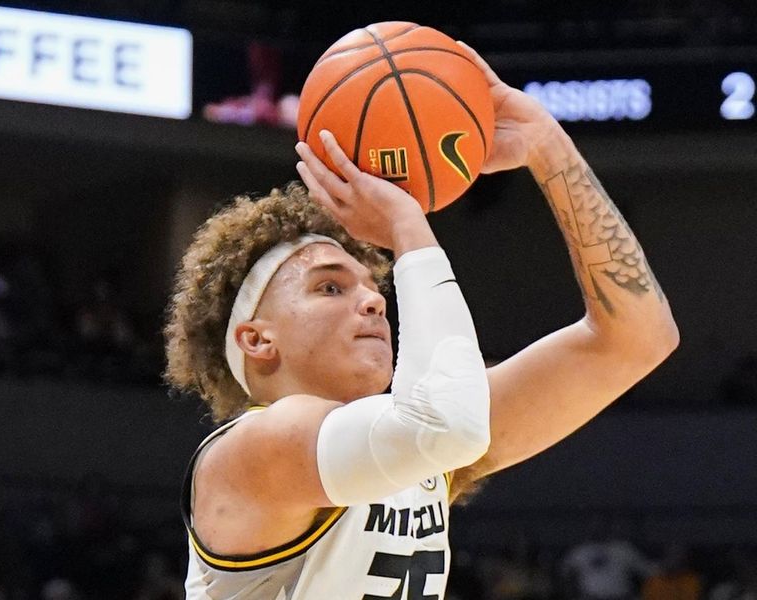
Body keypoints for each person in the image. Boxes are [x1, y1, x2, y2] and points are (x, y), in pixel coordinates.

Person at [163, 42, 679, 599]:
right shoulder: (253, 450)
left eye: (375, 286)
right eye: (330, 287)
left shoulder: (417, 452)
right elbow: (442, 427)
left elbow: (637, 338)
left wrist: (548, 149)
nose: (375, 301)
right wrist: (409, 230)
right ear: (257, 339)